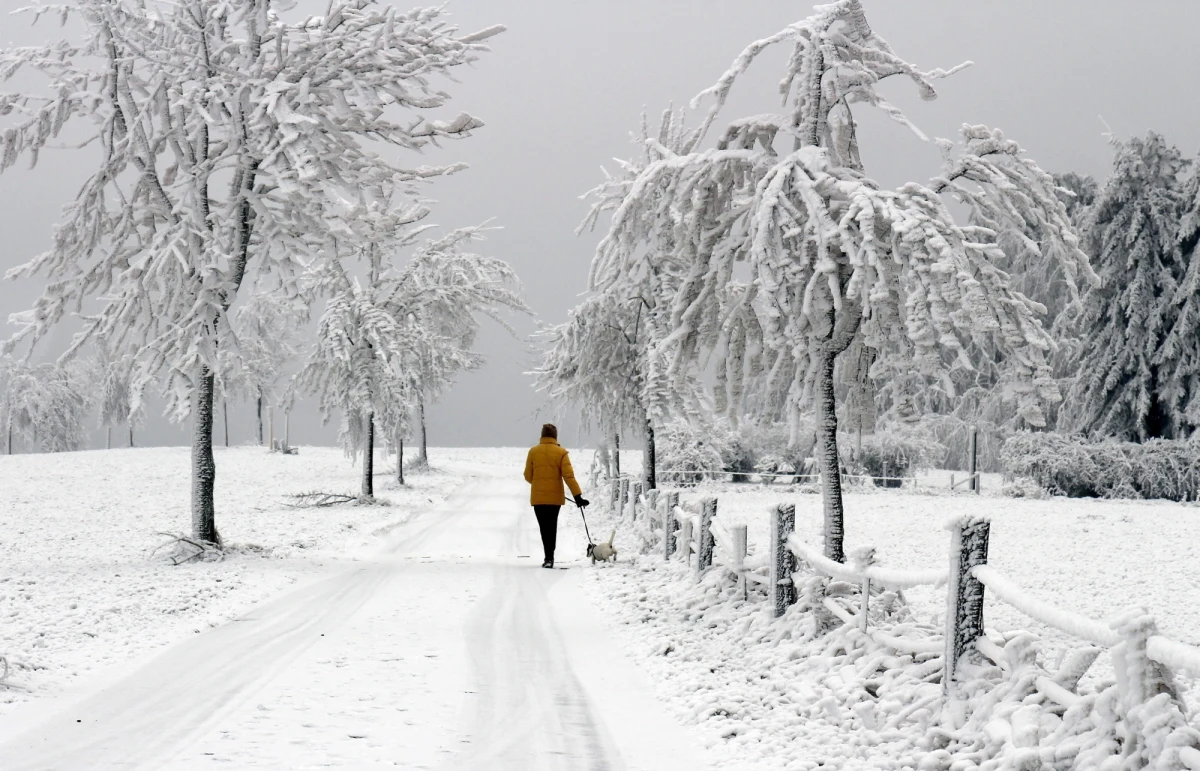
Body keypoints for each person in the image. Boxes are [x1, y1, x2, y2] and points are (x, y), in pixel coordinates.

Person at [523, 423, 588, 568]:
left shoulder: (533, 452)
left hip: (538, 498)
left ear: (542, 435)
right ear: (555, 436)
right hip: (554, 499)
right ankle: (550, 557)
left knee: (543, 528)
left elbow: (528, 476)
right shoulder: (561, 453)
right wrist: (578, 497)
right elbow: (569, 477)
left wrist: (539, 481)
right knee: (552, 526)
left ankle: (547, 558)